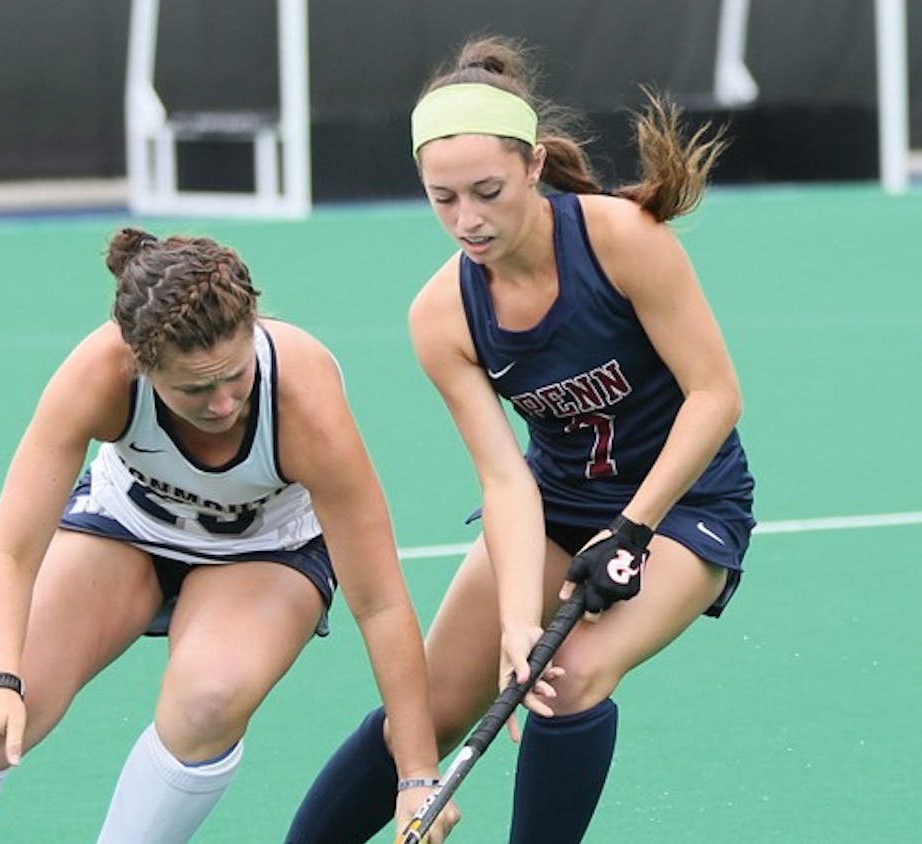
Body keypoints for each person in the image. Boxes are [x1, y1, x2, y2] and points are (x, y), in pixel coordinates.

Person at [284, 36, 756, 844]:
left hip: (683, 504)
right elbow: (504, 479)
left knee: (568, 680)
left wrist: (633, 529)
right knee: (427, 709)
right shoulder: (442, 315)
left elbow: (716, 396)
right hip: (555, 505)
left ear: (534, 167)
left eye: (487, 191)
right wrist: (513, 622)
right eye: (443, 199)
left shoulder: (621, 240)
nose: (467, 220)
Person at [0, 227, 460, 843]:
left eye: (234, 375)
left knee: (207, 700)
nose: (223, 403)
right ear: (139, 361)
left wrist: (418, 773)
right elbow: (11, 552)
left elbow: (381, 599)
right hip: (127, 527)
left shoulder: (304, 402)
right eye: (193, 389)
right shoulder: (98, 376)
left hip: (266, 551)